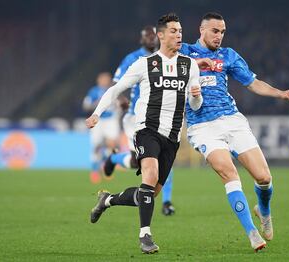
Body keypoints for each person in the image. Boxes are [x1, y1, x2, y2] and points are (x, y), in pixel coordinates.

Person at [179, 12, 289, 251]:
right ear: (201, 30)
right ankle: (252, 233)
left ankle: (263, 210)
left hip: (232, 121)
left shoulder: (228, 56)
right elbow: (163, 59)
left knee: (264, 178)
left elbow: (253, 83)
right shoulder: (184, 51)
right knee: (230, 174)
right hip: (203, 127)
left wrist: (279, 93)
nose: (219, 36)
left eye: (223, 32)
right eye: (215, 31)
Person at [86, 13, 202, 254]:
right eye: (173, 31)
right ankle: (145, 236)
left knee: (148, 194)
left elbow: (195, 106)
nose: (179, 35)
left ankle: (108, 200)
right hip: (146, 130)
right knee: (149, 176)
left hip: (172, 137)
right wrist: (97, 113)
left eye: (180, 31)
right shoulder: (144, 64)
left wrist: (196, 95)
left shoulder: (189, 65)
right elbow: (116, 89)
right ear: (160, 35)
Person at [103, 25, 176, 216]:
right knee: (138, 161)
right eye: (148, 36)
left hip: (162, 115)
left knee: (163, 157)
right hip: (137, 116)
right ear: (141, 39)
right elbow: (116, 83)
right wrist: (121, 100)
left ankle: (167, 202)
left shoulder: (168, 55)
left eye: (154, 35)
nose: (152, 39)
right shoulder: (133, 58)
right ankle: (114, 158)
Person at [82, 72, 121, 184]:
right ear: (98, 80)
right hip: (97, 120)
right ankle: (95, 170)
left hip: (110, 119)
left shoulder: (113, 90)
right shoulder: (94, 91)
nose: (105, 81)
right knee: (97, 146)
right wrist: (96, 103)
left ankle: (106, 167)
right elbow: (86, 105)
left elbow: (119, 104)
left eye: (106, 79)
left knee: (112, 144)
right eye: (102, 79)